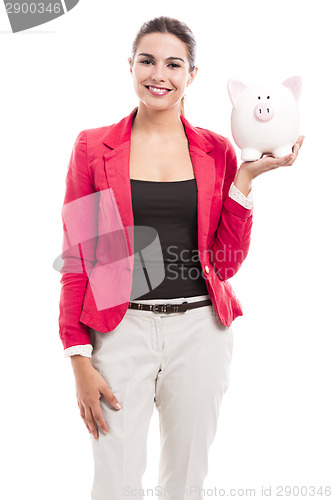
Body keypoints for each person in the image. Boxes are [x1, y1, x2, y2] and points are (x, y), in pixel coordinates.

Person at [58, 15, 304, 500]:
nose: (159, 74)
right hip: (119, 328)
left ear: (192, 75)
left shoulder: (217, 151)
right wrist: (78, 356)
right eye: (147, 61)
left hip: (201, 333)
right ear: (130, 66)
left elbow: (226, 263)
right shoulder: (93, 147)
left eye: (174, 64)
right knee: (115, 483)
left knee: (186, 484)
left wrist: (246, 182)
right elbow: (79, 258)